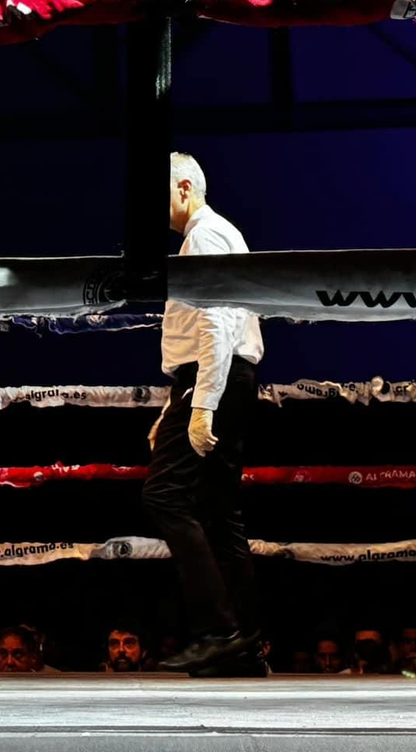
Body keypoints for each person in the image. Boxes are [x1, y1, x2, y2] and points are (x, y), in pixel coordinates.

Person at [145, 153, 265, 678]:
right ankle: (246, 644)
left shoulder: (205, 236)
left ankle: (219, 632)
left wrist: (200, 404)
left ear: (185, 188)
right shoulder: (218, 233)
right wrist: (180, 402)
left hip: (213, 377)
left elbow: (216, 325)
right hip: (221, 379)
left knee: (164, 494)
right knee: (218, 510)